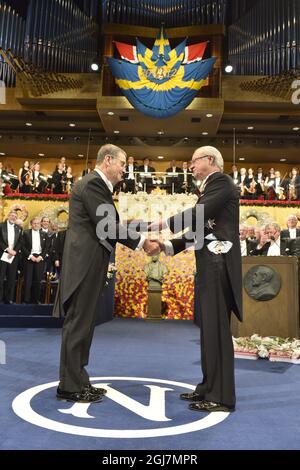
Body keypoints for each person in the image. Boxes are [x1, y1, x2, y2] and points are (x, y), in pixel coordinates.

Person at [53, 144, 159, 404]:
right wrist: (142, 241)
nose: (125, 169)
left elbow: (107, 224)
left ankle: (78, 379)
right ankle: (70, 385)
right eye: (122, 164)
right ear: (108, 160)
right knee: (79, 324)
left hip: (89, 265)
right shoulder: (93, 184)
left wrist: (138, 227)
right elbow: (107, 226)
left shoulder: (95, 186)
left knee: (85, 324)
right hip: (84, 266)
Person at [149, 146, 242, 412]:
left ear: (209, 160)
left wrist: (163, 224)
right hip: (210, 264)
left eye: (194, 161)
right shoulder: (211, 189)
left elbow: (196, 217)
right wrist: (167, 247)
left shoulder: (222, 183)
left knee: (217, 331)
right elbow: (199, 231)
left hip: (219, 264)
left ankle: (222, 397)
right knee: (209, 330)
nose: (190, 166)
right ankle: (208, 387)